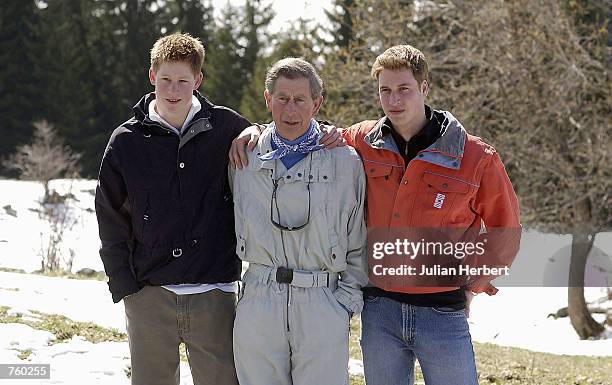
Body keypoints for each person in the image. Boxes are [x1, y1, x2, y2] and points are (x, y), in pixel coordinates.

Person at [230, 45, 521, 385]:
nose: (394, 100)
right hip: (380, 311)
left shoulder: (473, 155)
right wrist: (252, 130)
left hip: (442, 312)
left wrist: (472, 286)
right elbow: (301, 126)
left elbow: (506, 232)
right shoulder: (362, 142)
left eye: (404, 89)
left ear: (424, 88)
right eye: (385, 90)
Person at [230, 57, 368, 385]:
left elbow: (359, 238)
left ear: (317, 103)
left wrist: (344, 303)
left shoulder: (345, 162)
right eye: (282, 99)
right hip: (259, 300)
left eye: (300, 100)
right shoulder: (243, 158)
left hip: (322, 301)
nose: (290, 110)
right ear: (268, 100)